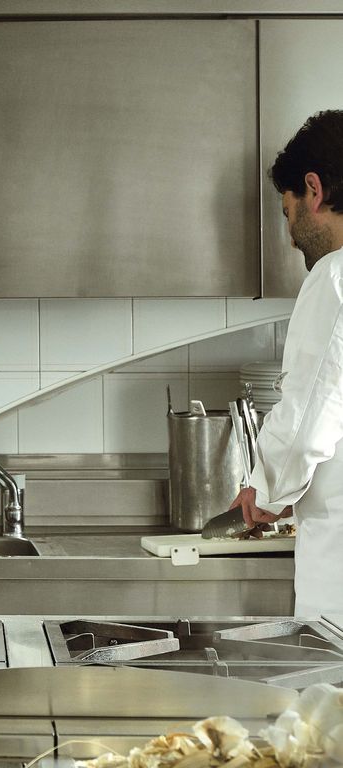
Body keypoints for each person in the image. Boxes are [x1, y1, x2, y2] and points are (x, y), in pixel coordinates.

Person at [229, 109, 343, 617]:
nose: (292, 235)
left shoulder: (335, 278)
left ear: (313, 190)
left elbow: (306, 417)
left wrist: (266, 491)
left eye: (287, 211)